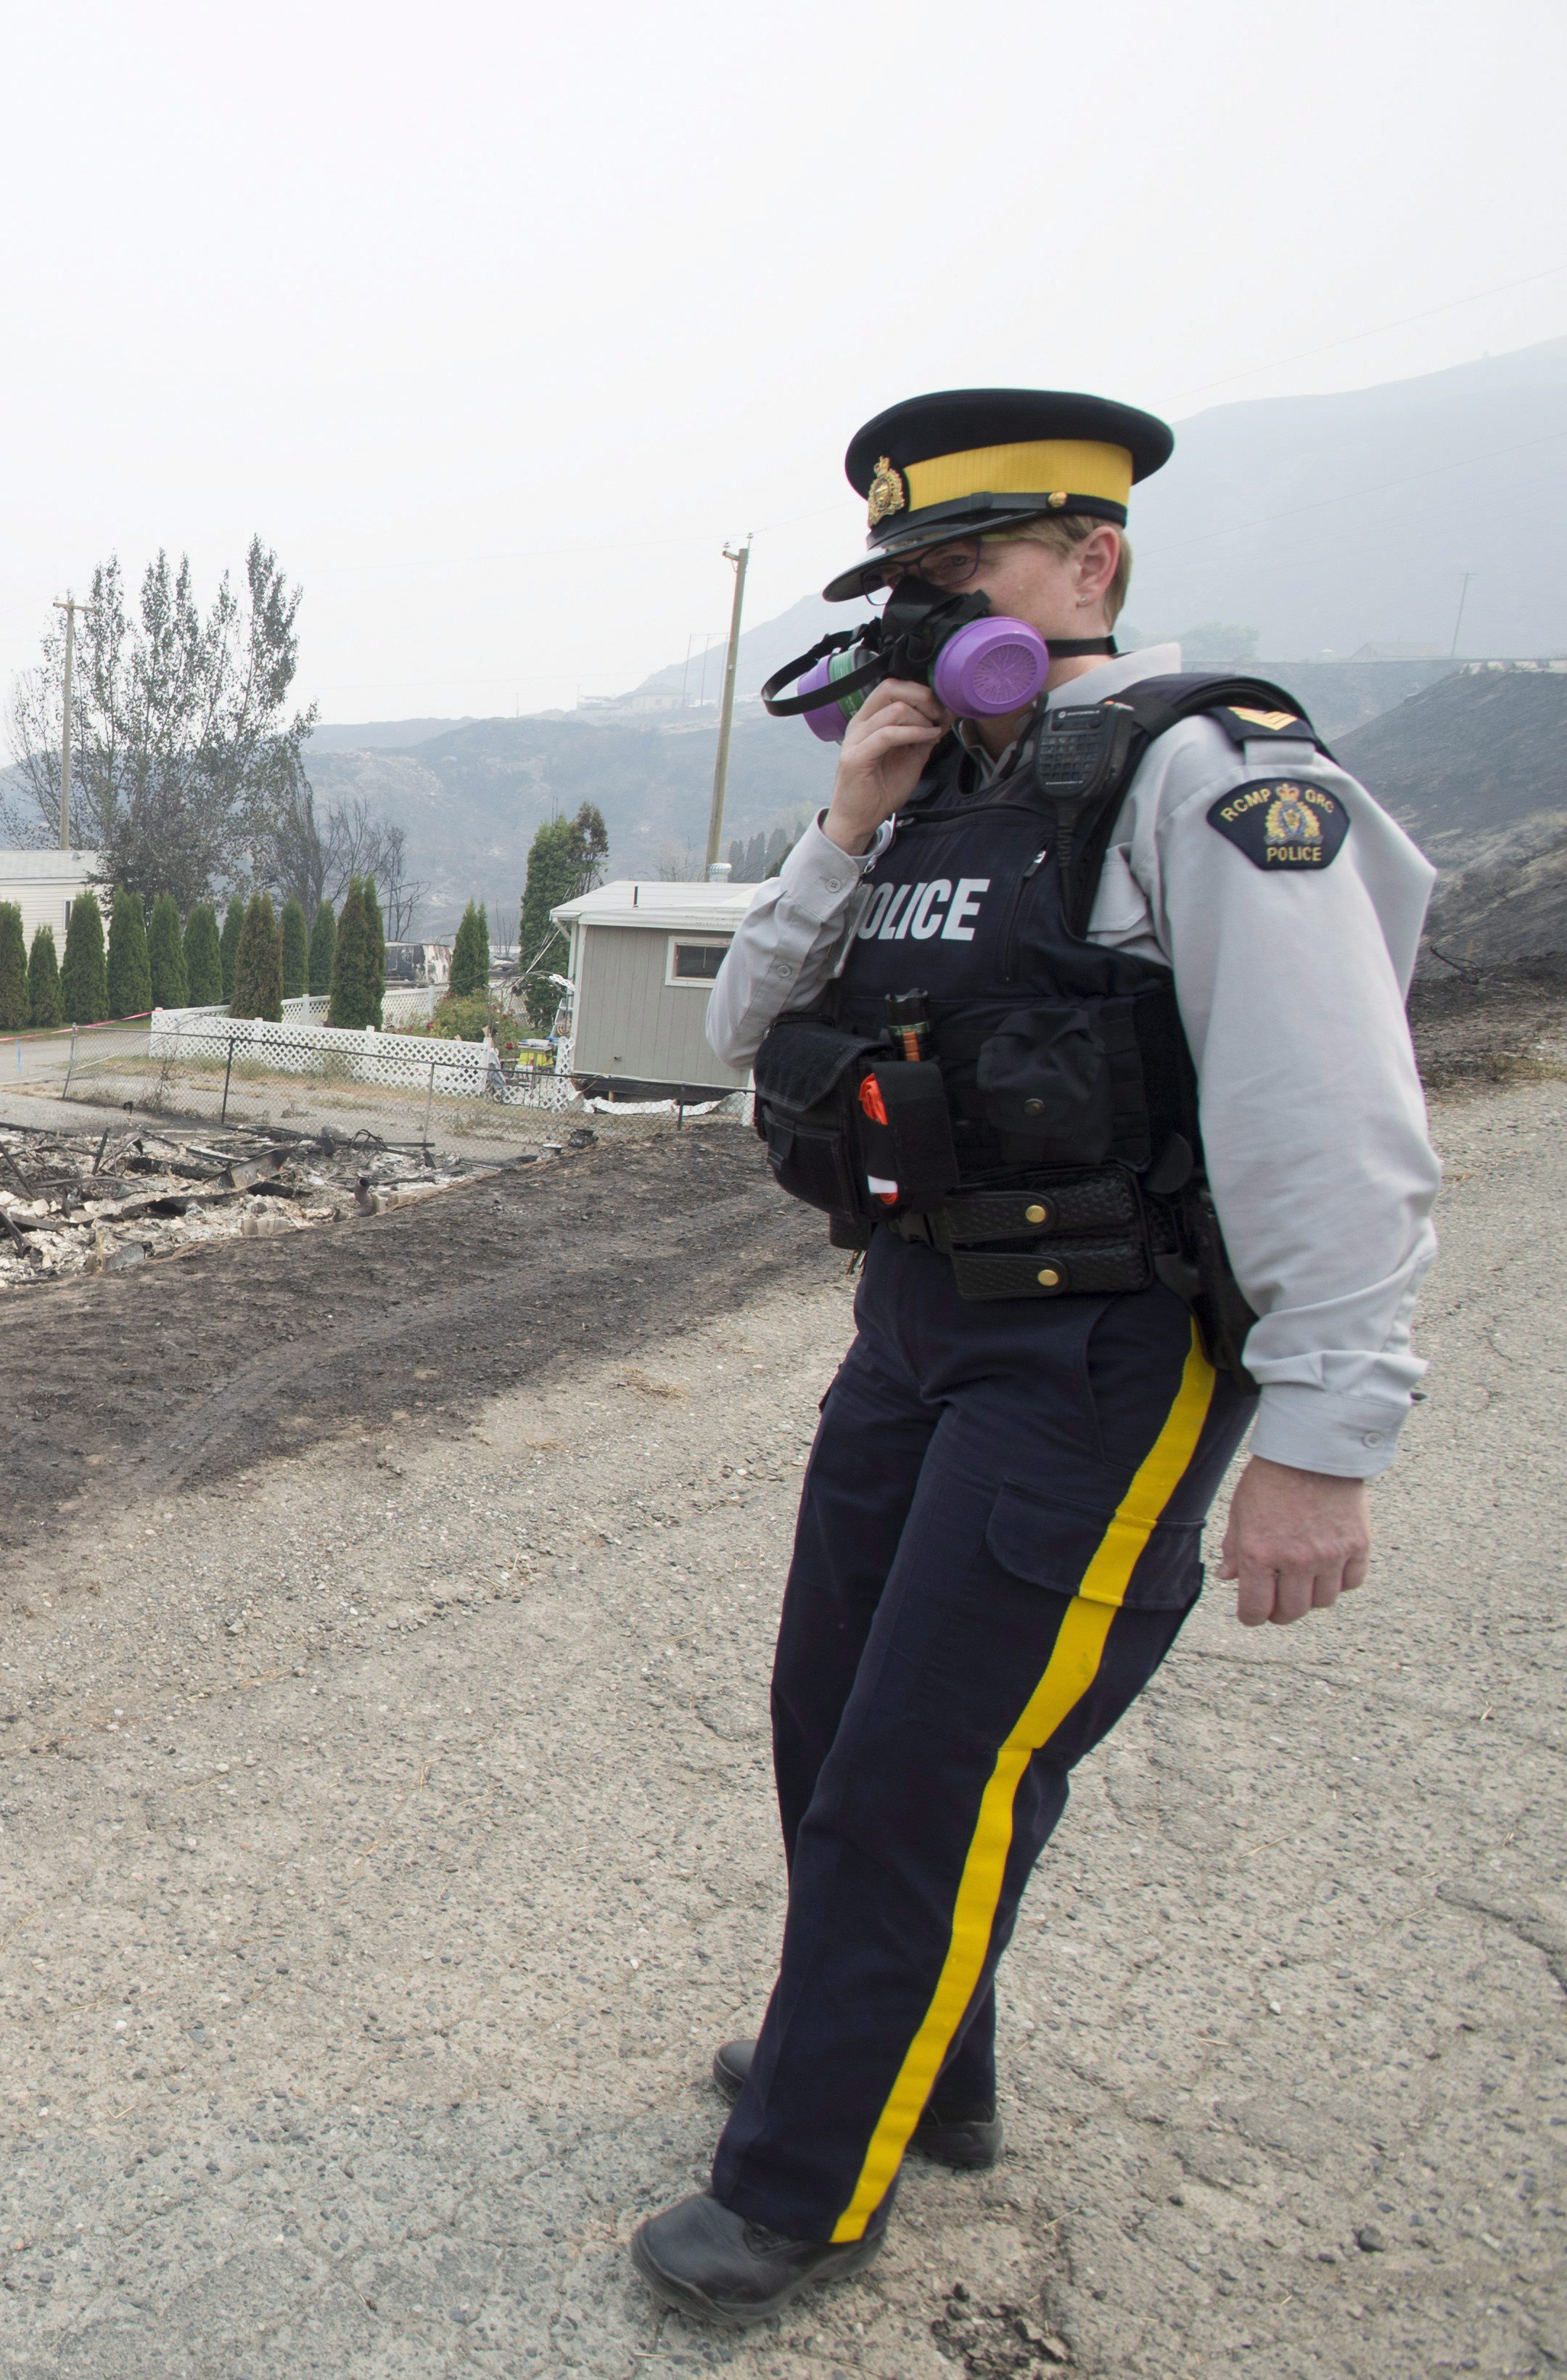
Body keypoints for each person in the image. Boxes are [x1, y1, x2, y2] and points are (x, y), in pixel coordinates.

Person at [631, 390, 1441, 2325]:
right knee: (834, 1727)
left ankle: (802, 2186)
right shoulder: (927, 799)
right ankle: (930, 2059)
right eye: (902, 586)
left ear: (1092, 569)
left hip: (1108, 1346)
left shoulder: (1211, 781)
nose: (924, 622)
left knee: (928, 1762)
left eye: (961, 575)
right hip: (914, 1323)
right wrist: (846, 823)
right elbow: (738, 1017)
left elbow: (1328, 1106)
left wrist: (1329, 1430)